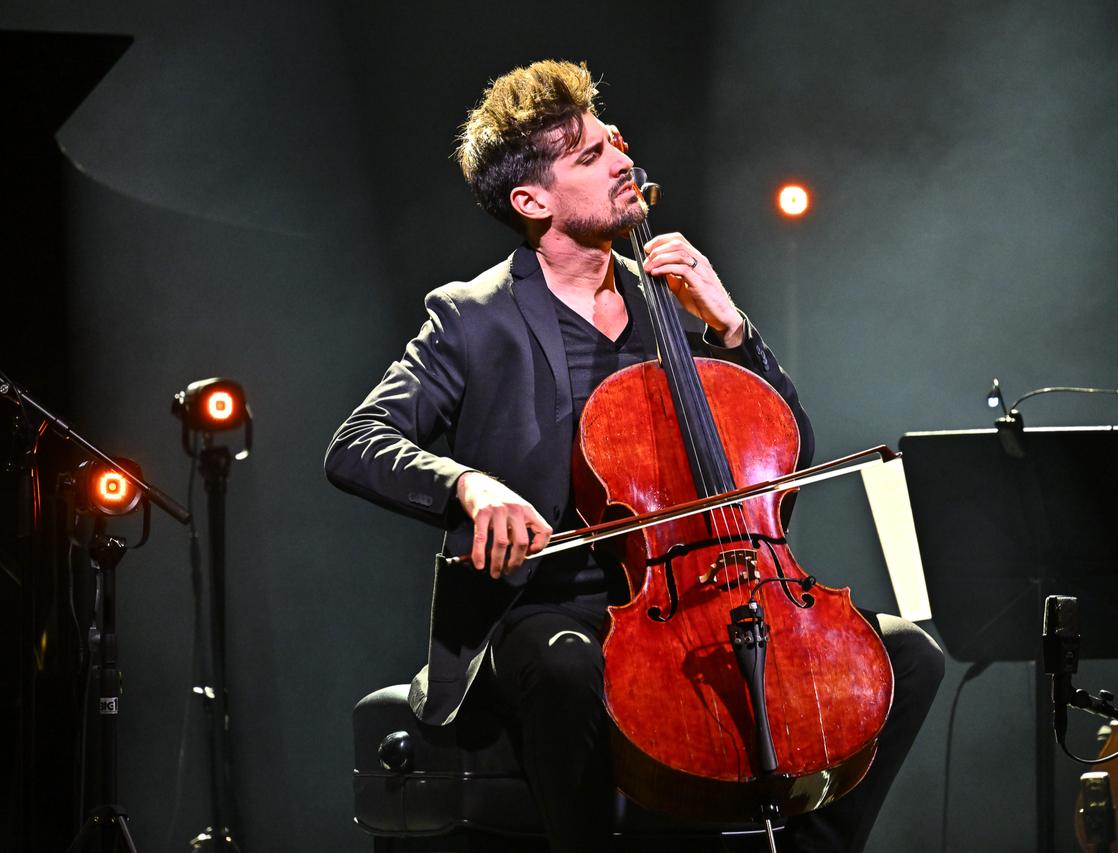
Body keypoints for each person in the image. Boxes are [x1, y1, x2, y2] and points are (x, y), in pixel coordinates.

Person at [325, 59, 942, 853]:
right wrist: (469, 486)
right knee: (568, 669)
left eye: (615, 141)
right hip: (545, 609)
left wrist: (731, 331)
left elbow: (781, 460)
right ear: (531, 200)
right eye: (589, 155)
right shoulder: (470, 318)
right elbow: (357, 444)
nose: (624, 161)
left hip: (698, 595)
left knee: (909, 656)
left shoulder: (668, 306)